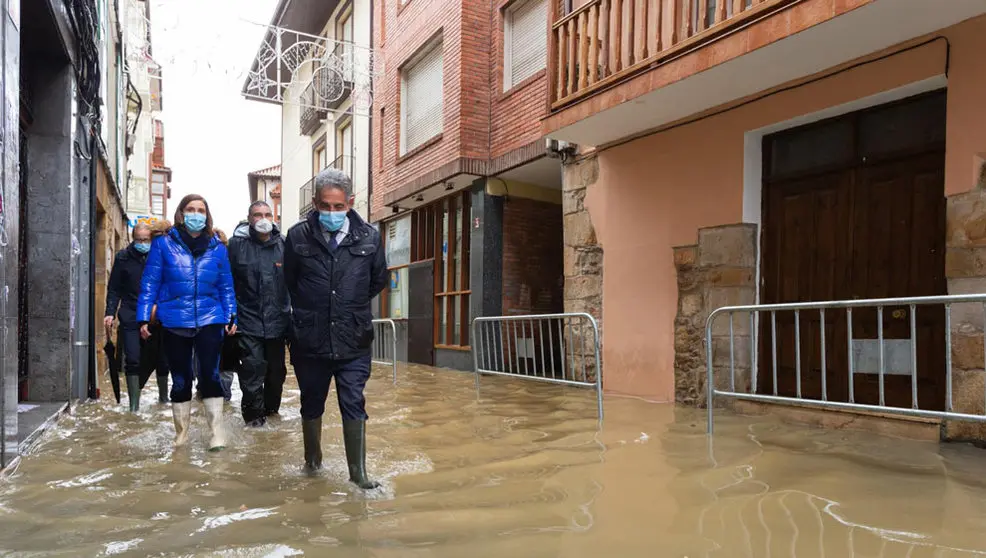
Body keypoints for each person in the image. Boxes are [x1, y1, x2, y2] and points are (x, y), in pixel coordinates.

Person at [284, 168, 388, 488]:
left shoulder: (369, 236)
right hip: (309, 339)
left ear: (351, 202)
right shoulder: (297, 236)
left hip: (352, 338)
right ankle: (312, 463)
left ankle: (358, 474)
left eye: (338, 207)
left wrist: (347, 306)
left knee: (353, 402)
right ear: (315, 203)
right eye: (325, 206)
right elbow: (289, 280)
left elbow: (378, 280)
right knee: (311, 402)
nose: (332, 213)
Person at [137, 194, 237, 451]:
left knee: (211, 375)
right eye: (190, 209)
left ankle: (217, 432)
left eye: (201, 210)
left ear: (207, 215)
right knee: (180, 379)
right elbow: (150, 282)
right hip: (174, 318)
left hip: (211, 318)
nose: (196, 214)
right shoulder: (163, 245)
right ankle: (182, 434)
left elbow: (226, 285)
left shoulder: (218, 247)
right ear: (181, 213)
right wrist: (143, 317)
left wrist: (231, 315)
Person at [228, 201, 290, 427]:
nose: (263, 219)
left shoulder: (284, 245)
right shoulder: (236, 245)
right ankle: (254, 422)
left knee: (276, 374)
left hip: (278, 323)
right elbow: (227, 282)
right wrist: (230, 314)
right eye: (257, 215)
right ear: (249, 218)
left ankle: (272, 416)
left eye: (267, 214)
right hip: (247, 322)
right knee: (252, 373)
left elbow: (296, 282)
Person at [104, 223, 160, 412]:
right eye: (139, 240)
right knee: (133, 358)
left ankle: (161, 396)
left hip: (154, 316)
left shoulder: (158, 256)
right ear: (133, 239)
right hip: (130, 313)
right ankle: (134, 407)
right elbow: (114, 288)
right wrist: (110, 312)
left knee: (159, 359)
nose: (143, 243)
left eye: (146, 240)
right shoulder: (123, 258)